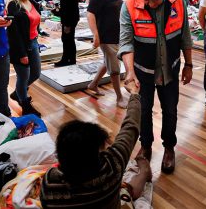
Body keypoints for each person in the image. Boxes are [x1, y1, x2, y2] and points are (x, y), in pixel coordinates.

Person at [118, 0, 193, 174]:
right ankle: (146, 145)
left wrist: (188, 64)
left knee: (170, 110)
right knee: (144, 111)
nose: (151, 3)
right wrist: (130, 71)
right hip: (143, 70)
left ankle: (169, 148)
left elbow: (185, 34)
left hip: (170, 69)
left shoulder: (178, 0)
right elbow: (125, 42)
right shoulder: (129, 5)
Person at [41, 78, 152, 208]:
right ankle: (144, 171)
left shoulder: (49, 183)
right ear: (97, 155)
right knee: (127, 190)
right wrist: (134, 93)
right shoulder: (112, 166)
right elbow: (131, 127)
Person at [86, 0, 127, 109]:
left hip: (117, 36)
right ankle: (119, 98)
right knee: (115, 68)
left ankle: (93, 84)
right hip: (106, 37)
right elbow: (90, 14)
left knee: (107, 62)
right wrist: (96, 35)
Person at [7, 0, 43, 117]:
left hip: (33, 42)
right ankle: (25, 105)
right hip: (20, 46)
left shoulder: (32, 2)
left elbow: (35, 19)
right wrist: (22, 54)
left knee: (36, 73)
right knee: (23, 77)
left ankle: (18, 93)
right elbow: (13, 33)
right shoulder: (14, 5)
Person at [52, 0, 80, 67]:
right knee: (67, 39)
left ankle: (68, 60)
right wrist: (57, 12)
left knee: (68, 39)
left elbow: (71, 8)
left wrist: (68, 24)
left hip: (70, 20)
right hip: (68, 18)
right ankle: (69, 59)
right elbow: (66, 6)